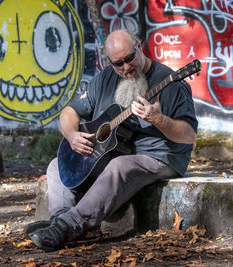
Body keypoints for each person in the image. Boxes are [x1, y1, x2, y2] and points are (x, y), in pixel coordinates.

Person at [27, 29, 198, 252]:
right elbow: (69, 111)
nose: (126, 67)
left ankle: (68, 226)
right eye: (118, 63)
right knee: (56, 166)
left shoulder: (170, 82)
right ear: (109, 61)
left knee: (120, 166)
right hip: (113, 153)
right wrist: (71, 135)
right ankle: (63, 223)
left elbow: (188, 135)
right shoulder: (105, 78)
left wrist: (158, 119)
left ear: (139, 45)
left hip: (159, 156)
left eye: (129, 58)